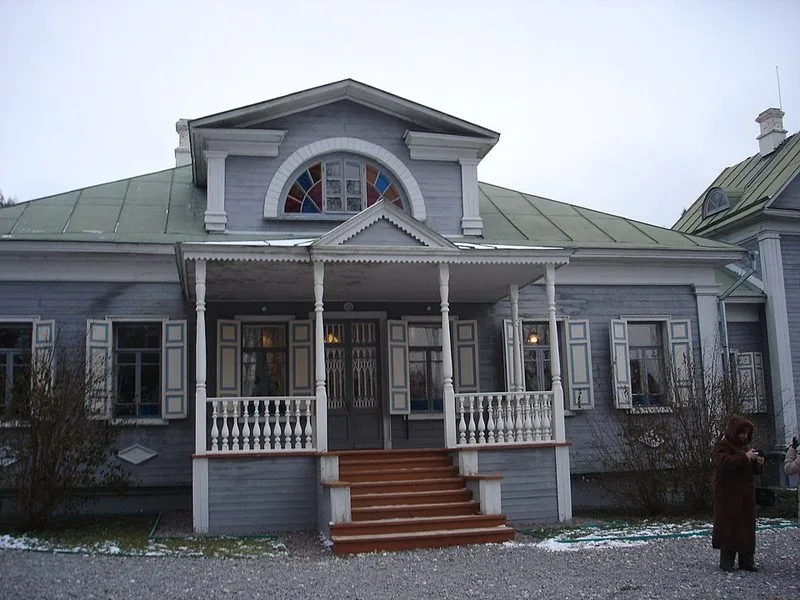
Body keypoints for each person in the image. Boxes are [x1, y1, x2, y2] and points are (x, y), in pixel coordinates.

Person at [712, 415, 765, 573]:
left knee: (747, 527)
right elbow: (724, 463)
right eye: (741, 433)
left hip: (746, 495)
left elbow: (751, 470)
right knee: (730, 528)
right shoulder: (723, 445)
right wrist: (744, 457)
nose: (744, 436)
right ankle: (727, 562)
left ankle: (747, 561)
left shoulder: (745, 447)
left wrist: (758, 463)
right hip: (728, 495)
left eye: (747, 434)